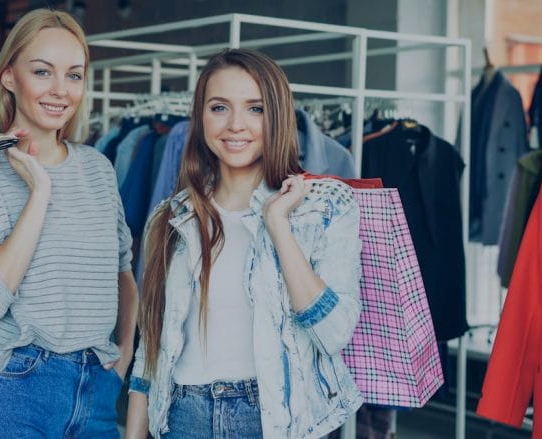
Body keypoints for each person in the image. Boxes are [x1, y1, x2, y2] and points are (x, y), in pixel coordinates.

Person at [125, 48, 364, 439]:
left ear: (278, 116)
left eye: (255, 109)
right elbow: (151, 353)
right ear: (200, 117)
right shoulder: (170, 217)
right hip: (183, 417)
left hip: (272, 420)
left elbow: (334, 332)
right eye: (219, 108)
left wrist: (277, 223)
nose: (236, 125)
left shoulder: (324, 207)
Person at [0, 9, 137, 438]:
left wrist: (124, 354)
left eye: (74, 75)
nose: (60, 91)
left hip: (95, 388)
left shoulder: (97, 168)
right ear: (9, 77)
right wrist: (39, 193)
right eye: (43, 72)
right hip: (10, 388)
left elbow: (123, 271)